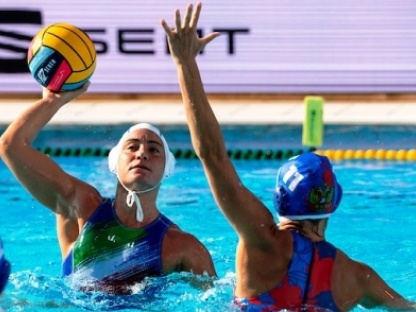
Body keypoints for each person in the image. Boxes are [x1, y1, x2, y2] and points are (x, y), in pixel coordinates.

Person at [161, 2, 416, 310]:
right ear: (333, 202)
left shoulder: (262, 242)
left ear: (279, 197)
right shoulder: (357, 277)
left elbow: (212, 155)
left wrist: (184, 64)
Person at [0, 84, 216, 294]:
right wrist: (52, 101)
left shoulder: (182, 246)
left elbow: (218, 302)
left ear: (166, 169)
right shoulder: (82, 207)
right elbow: (10, 146)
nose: (141, 154)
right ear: (114, 163)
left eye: (154, 150)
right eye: (131, 147)